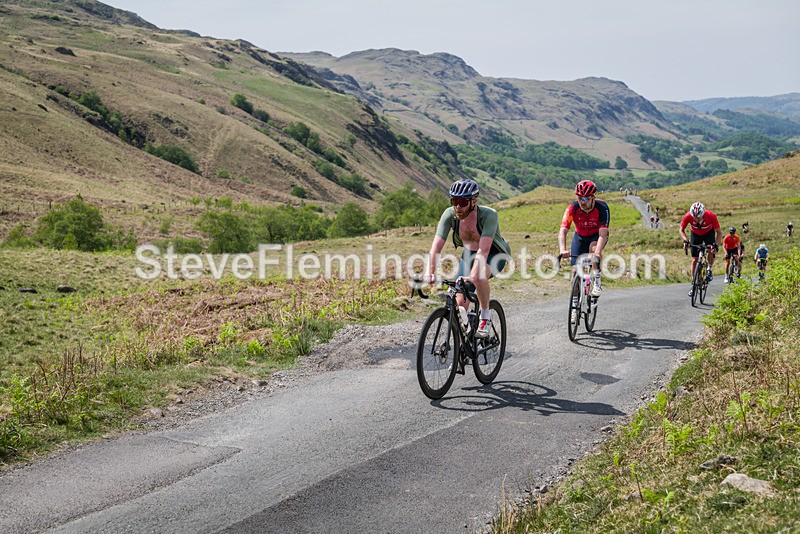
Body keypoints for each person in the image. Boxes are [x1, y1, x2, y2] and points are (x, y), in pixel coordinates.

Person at [427, 179, 511, 338]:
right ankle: (467, 338)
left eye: (462, 202)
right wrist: (430, 272)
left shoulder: (489, 215)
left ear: (473, 201)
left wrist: (473, 276)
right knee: (460, 304)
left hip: (494, 253)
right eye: (454, 201)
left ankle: (485, 316)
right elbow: (436, 247)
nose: (458, 206)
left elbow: (484, 249)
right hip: (469, 254)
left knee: (479, 276)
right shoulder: (450, 215)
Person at [558, 180, 610, 299]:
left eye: (586, 199)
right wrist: (562, 249)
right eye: (580, 198)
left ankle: (597, 281)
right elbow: (563, 230)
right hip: (580, 237)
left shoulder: (602, 207)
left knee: (593, 251)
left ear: (593, 198)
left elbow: (603, 233)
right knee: (575, 271)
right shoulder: (573, 208)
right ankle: (575, 303)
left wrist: (597, 252)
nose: (582, 202)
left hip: (596, 235)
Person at [679, 202, 722, 297]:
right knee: (694, 259)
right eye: (694, 217)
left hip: (708, 233)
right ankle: (693, 284)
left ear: (703, 214)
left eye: (698, 217)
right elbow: (681, 229)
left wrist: (716, 245)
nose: (696, 219)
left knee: (710, 250)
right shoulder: (688, 216)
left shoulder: (711, 216)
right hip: (695, 234)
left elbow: (719, 233)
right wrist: (685, 240)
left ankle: (709, 269)